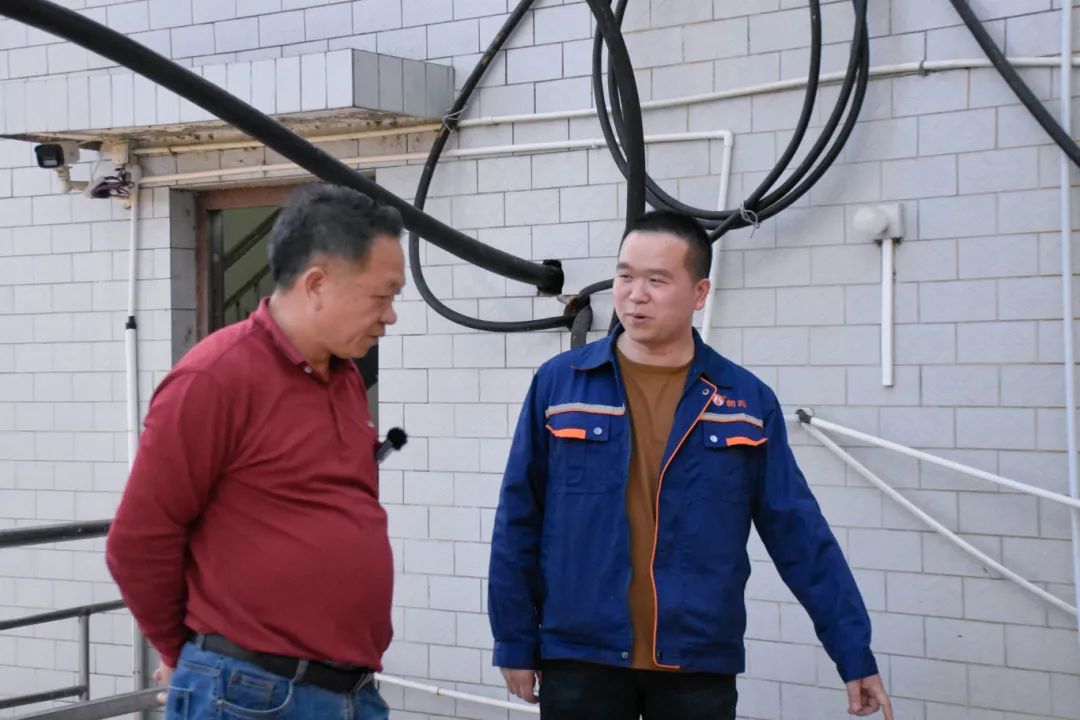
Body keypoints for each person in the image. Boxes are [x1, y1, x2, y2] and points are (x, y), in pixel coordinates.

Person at [488, 210, 893, 720]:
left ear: (699, 293)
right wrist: (513, 640)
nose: (635, 295)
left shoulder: (744, 400)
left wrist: (853, 652)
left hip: (697, 663)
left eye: (657, 281)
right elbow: (518, 518)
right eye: (625, 276)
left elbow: (799, 535)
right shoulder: (560, 384)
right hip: (580, 656)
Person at [106, 183, 405, 720]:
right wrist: (187, 655)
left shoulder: (345, 379)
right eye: (381, 297)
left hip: (349, 691)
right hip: (248, 694)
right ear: (316, 284)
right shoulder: (215, 377)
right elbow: (139, 540)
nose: (391, 316)